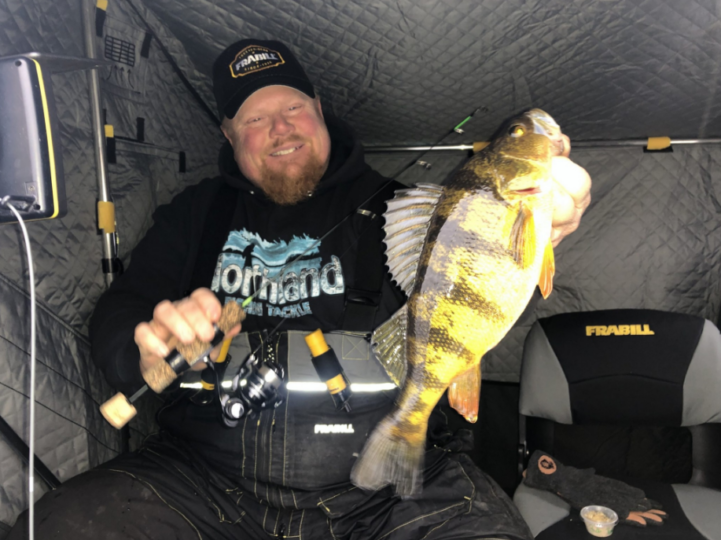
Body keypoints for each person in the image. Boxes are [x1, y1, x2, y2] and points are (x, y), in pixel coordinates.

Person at [8, 39, 591, 539]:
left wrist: (551, 215)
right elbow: (120, 309)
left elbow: (487, 260)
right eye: (255, 119)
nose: (280, 128)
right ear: (229, 134)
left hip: (387, 491)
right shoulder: (194, 214)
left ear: (318, 109)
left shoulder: (407, 211)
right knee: (60, 526)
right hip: (203, 480)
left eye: (291, 106)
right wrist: (142, 342)